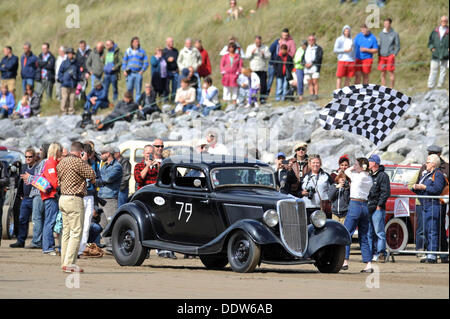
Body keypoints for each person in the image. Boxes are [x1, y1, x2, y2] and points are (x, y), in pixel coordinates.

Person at [57, 141, 96, 273]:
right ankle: (70, 264)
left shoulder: (62, 162)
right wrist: (85, 161)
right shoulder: (78, 162)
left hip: (63, 198)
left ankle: (64, 262)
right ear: (81, 152)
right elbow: (91, 175)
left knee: (66, 232)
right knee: (76, 232)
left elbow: (58, 181)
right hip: (74, 198)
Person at [414, 144, 449, 262]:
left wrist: (423, 187)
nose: (426, 163)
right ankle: (430, 252)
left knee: (433, 230)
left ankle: (432, 255)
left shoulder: (438, 174)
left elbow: (437, 189)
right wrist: (416, 187)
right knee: (428, 230)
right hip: (426, 204)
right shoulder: (426, 173)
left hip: (434, 205)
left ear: (434, 163)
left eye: (428, 161)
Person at [342, 157, 374, 273]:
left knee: (346, 233)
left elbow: (346, 171)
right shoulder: (369, 178)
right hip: (364, 205)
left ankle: (345, 260)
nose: (354, 166)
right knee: (364, 236)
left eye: (356, 165)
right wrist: (360, 165)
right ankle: (368, 263)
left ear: (361, 167)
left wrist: (354, 167)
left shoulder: (357, 176)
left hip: (355, 204)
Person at [23, 144, 50, 249]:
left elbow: (40, 179)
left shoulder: (44, 162)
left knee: (37, 218)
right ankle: (43, 241)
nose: (40, 151)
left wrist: (29, 178)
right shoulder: (49, 162)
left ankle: (37, 242)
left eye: (41, 149)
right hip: (44, 194)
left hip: (39, 193)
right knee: (43, 218)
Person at [10, 148, 37, 248]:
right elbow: (20, 181)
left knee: (36, 220)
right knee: (22, 219)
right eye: (26, 157)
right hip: (25, 198)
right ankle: (20, 241)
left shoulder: (37, 167)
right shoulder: (24, 167)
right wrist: (20, 194)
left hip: (35, 197)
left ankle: (37, 241)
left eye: (30, 157)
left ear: (34, 157)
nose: (28, 158)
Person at [78, 143, 101, 256]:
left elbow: (98, 180)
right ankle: (74, 248)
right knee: (78, 223)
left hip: (90, 195)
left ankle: (81, 249)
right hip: (79, 195)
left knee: (87, 224)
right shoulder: (76, 163)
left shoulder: (94, 165)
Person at [98, 146, 123, 251]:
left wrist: (98, 180)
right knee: (102, 224)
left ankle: (115, 246)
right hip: (101, 198)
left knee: (111, 223)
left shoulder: (117, 166)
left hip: (111, 199)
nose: (101, 155)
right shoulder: (104, 166)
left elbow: (107, 179)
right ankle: (109, 246)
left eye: (103, 153)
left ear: (108, 154)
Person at [40, 142, 63, 255]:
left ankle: (50, 246)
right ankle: (48, 247)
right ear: (56, 151)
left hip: (53, 196)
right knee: (50, 221)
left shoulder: (54, 162)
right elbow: (54, 181)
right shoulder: (50, 163)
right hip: (51, 196)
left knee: (52, 221)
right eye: (60, 150)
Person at [367, 154, 391, 263]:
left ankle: (381, 253)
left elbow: (385, 192)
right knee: (369, 232)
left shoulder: (383, 176)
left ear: (375, 163)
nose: (368, 163)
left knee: (379, 232)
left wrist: (379, 205)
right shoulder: (368, 175)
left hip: (377, 208)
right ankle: (372, 253)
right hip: (368, 207)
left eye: (370, 161)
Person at [300, 154, 331, 221]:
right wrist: (302, 193)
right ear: (309, 164)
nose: (315, 165)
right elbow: (298, 190)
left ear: (320, 164)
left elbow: (333, 189)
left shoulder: (326, 176)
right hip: (307, 208)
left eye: (317, 163)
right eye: (313, 163)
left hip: (322, 208)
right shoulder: (305, 177)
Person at [268, 28, 296, 95]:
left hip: (286, 64)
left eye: (286, 35)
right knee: (274, 81)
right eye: (283, 35)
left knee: (285, 83)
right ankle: (270, 95)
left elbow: (293, 52)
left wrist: (287, 57)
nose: (285, 37)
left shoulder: (291, 42)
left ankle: (284, 96)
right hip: (277, 63)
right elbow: (270, 50)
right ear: (281, 34)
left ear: (288, 35)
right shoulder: (278, 41)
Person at [122, 36, 149, 101]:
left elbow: (146, 63)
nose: (137, 43)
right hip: (130, 73)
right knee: (129, 90)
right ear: (132, 43)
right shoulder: (128, 51)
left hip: (138, 73)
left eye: (138, 42)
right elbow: (124, 61)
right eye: (136, 42)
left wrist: (142, 71)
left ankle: (137, 105)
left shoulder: (142, 51)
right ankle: (130, 103)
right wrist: (124, 70)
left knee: (138, 91)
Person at [245, 36, 270, 103]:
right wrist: (251, 53)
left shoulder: (265, 47)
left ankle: (262, 99)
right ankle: (253, 99)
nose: (258, 43)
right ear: (254, 41)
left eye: (259, 42)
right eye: (257, 42)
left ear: (261, 41)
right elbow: (247, 57)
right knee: (253, 85)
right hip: (253, 69)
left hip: (262, 69)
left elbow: (268, 57)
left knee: (263, 84)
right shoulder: (250, 47)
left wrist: (264, 54)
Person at [377, 18, 400, 88]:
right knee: (383, 72)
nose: (386, 25)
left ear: (390, 24)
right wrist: (378, 54)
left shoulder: (394, 34)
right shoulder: (381, 34)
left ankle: (391, 88)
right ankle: (383, 88)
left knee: (391, 72)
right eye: (385, 23)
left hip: (390, 56)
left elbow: (398, 45)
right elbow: (379, 45)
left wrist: (394, 54)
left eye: (387, 23)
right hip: (382, 56)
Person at [427, 15, 449, 89]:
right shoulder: (435, 31)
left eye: (445, 21)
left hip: (445, 54)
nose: (444, 22)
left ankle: (440, 86)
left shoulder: (448, 31)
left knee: (443, 71)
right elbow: (430, 41)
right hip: (435, 54)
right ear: (440, 22)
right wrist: (432, 48)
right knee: (433, 70)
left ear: (447, 22)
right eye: (442, 21)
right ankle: (430, 86)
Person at [58, 48, 80, 115]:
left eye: (71, 54)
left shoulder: (76, 63)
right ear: (67, 54)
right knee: (64, 97)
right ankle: (64, 110)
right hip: (65, 83)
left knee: (72, 97)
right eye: (69, 53)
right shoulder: (64, 63)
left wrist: (77, 78)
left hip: (73, 83)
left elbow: (79, 73)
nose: (70, 55)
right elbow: (60, 72)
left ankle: (71, 110)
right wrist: (62, 79)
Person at [334, 25, 355, 89]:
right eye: (345, 31)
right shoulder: (339, 39)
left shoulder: (351, 39)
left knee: (348, 77)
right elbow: (335, 50)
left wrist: (354, 58)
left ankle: (346, 92)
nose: (347, 32)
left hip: (351, 60)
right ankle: (338, 91)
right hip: (342, 60)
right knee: (339, 76)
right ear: (343, 31)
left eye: (348, 31)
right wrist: (344, 50)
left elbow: (354, 50)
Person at [303, 34, 323, 101]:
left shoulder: (318, 48)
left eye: (312, 39)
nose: (311, 41)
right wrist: (304, 64)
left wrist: (312, 63)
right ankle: (311, 94)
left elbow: (319, 58)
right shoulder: (306, 48)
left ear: (315, 40)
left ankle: (316, 94)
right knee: (309, 82)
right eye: (310, 40)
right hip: (307, 68)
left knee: (315, 81)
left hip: (315, 68)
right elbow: (303, 58)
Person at [163, 37, 179, 103]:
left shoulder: (176, 51)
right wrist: (167, 60)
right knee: (166, 88)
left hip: (175, 72)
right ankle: (166, 101)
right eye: (170, 42)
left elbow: (178, 60)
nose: (172, 43)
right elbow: (162, 61)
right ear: (167, 42)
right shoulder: (164, 51)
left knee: (175, 87)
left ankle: (173, 100)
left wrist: (178, 68)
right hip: (167, 72)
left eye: (172, 41)